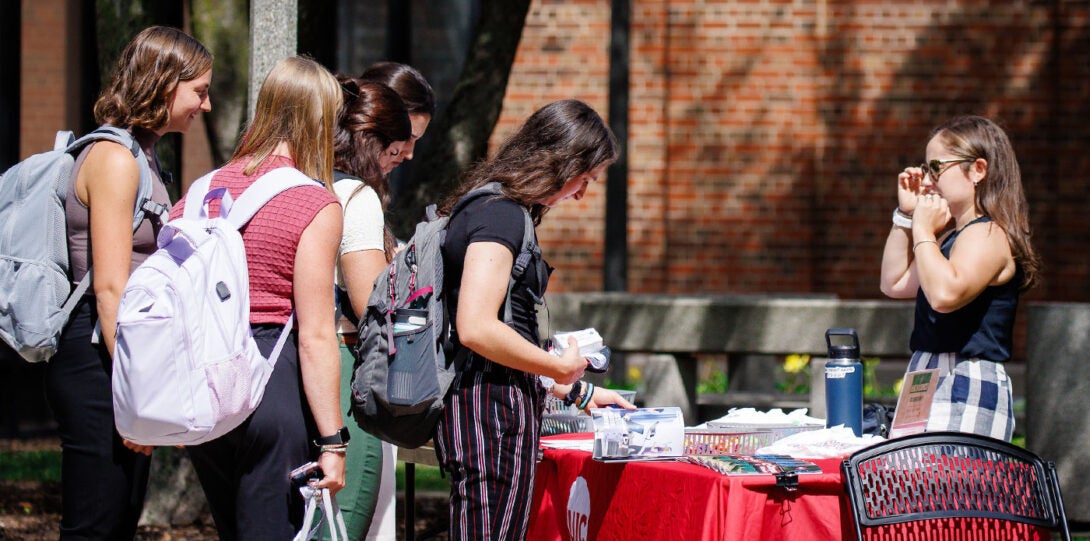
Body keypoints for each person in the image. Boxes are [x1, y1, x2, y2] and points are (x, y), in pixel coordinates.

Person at [435, 99, 635, 540]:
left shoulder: (491, 208)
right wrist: (558, 366)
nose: (581, 193)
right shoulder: (501, 215)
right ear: (562, 161)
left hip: (485, 410)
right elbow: (477, 326)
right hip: (491, 417)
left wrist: (575, 392)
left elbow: (503, 329)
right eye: (585, 179)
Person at [43, 26, 211, 540]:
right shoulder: (115, 159)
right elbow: (110, 289)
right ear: (164, 86)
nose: (205, 106)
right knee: (96, 523)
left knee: (117, 517)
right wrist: (138, 393)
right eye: (199, 92)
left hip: (114, 350)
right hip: (98, 353)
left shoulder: (141, 153)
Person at [175, 56, 347, 540]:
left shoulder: (199, 192)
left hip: (205, 387)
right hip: (270, 382)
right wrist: (334, 441)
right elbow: (315, 334)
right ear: (319, 119)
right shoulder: (314, 202)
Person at [879, 115, 1040, 442]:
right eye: (925, 168)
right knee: (912, 488)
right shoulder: (950, 236)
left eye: (936, 167)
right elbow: (894, 283)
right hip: (927, 371)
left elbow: (945, 295)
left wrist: (924, 230)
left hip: (966, 375)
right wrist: (906, 218)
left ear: (978, 170)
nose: (927, 180)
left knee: (956, 491)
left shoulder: (989, 233)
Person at [336, 61, 437, 541]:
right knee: (356, 516)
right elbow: (371, 303)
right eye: (404, 141)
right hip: (355, 368)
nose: (410, 154)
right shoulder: (355, 197)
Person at [329, 77, 411, 541]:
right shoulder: (355, 198)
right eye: (394, 154)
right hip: (343, 365)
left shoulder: (302, 180)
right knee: (343, 523)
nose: (396, 165)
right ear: (370, 143)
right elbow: (369, 304)